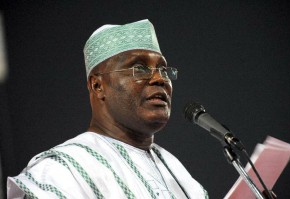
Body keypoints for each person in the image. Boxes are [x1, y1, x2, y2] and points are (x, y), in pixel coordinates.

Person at [7, 19, 208, 199]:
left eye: (163, 70)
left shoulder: (181, 177)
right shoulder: (61, 171)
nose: (159, 78)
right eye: (139, 68)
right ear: (98, 86)